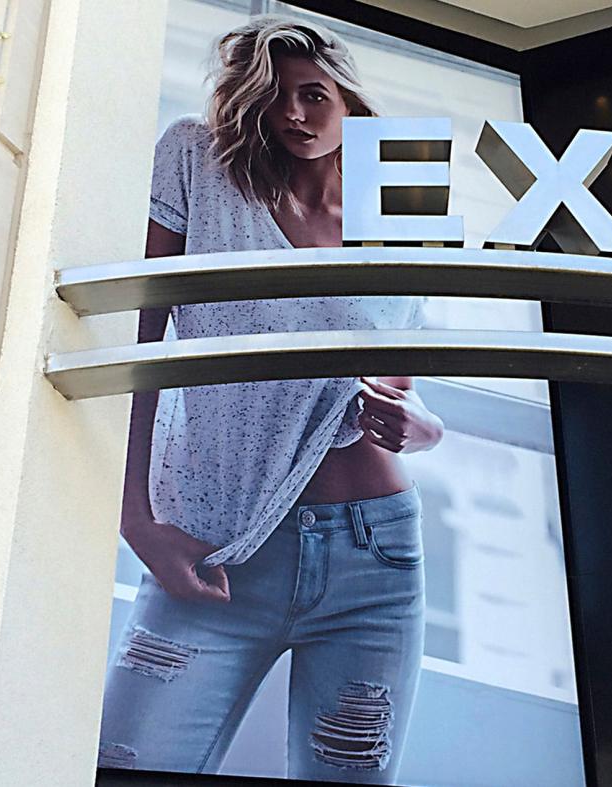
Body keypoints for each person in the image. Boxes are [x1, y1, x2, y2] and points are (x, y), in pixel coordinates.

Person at [97, 16, 443, 784]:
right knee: (125, 765)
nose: (292, 114)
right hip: (217, 546)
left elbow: (397, 383)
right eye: (272, 100)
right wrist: (135, 519)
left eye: (313, 94)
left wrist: (423, 429)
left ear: (350, 97)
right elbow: (139, 342)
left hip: (376, 555)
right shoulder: (198, 161)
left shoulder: (408, 195)